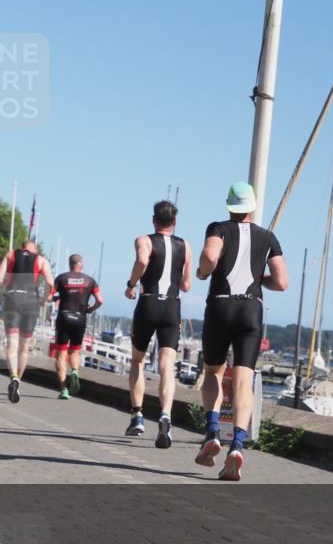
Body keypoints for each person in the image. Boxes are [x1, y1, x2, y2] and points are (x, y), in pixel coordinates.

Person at [195, 181, 288, 480]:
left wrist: (202, 272)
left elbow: (210, 257)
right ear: (252, 206)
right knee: (243, 379)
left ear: (229, 206)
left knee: (213, 372)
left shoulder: (218, 228)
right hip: (251, 308)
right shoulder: (268, 237)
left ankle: (212, 431)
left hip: (221, 305)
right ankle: (237, 445)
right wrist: (260, 280)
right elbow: (282, 282)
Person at [123, 201, 192, 448]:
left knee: (138, 361)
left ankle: (137, 416)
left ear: (154, 220)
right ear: (175, 222)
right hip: (172, 306)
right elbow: (186, 285)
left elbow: (142, 262)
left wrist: (131, 284)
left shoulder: (144, 241)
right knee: (167, 366)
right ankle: (165, 414)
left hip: (149, 302)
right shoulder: (185, 246)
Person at [0, 240, 54, 403]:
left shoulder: (11, 254)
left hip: (12, 298)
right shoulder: (41, 260)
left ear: (22, 248)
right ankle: (17, 382)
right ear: (34, 249)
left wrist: (7, 283)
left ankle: (13, 376)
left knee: (11, 345)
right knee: (24, 348)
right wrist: (45, 299)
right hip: (31, 301)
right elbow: (50, 284)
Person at [49, 254, 102, 400]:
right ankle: (74, 371)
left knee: (61, 354)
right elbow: (100, 300)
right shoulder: (90, 280)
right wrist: (91, 309)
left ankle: (64, 389)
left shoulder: (61, 278)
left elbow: (49, 296)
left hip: (64, 317)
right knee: (75, 351)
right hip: (80, 318)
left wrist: (56, 298)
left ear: (70, 264)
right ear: (81, 265)